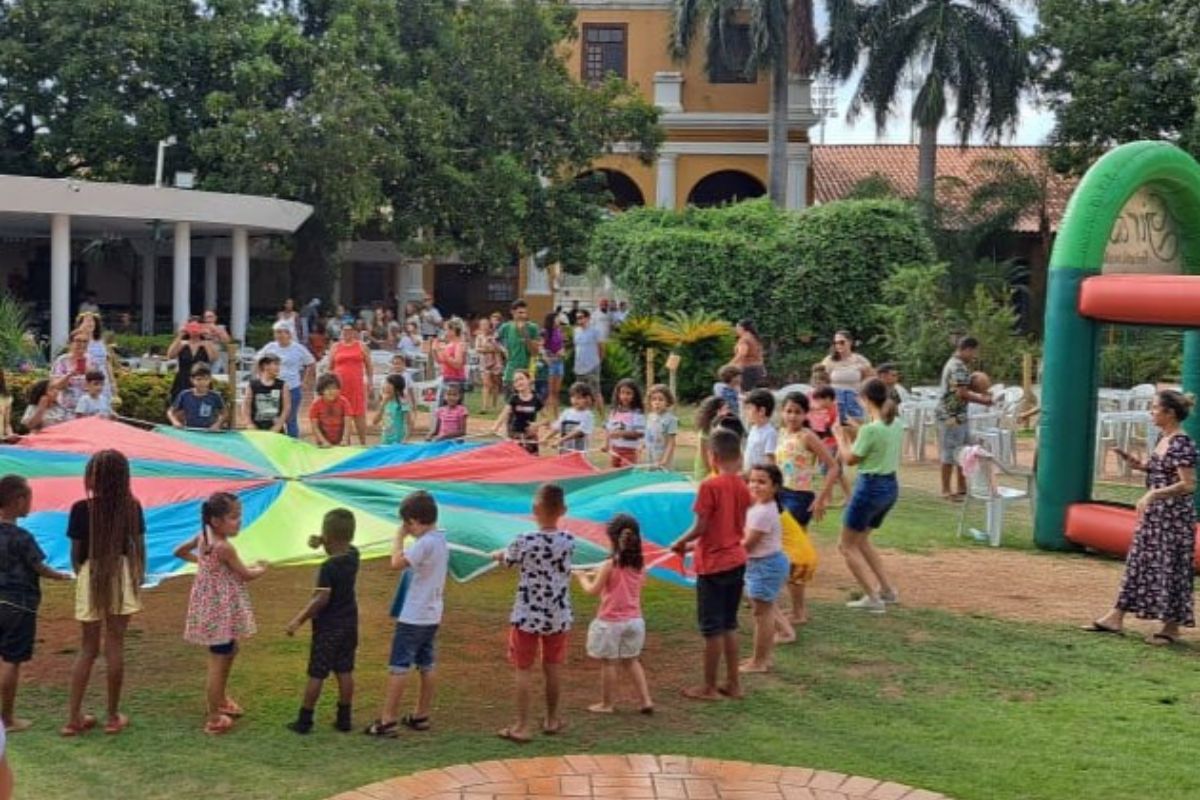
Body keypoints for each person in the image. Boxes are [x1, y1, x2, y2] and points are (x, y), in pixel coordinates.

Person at [1085, 390, 1197, 645]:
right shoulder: (1164, 438)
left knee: (1171, 567)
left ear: (1169, 413)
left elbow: (1188, 484)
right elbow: (1162, 469)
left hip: (1173, 519)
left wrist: (1152, 495)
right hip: (1155, 517)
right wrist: (1137, 464)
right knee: (1139, 563)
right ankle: (1115, 617)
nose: (1151, 412)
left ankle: (1170, 628)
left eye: (1155, 408)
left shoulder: (1182, 443)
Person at [63, 450, 146, 736]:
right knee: (115, 646)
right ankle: (112, 716)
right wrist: (136, 576)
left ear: (92, 477)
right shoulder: (131, 507)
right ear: (124, 477)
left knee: (87, 649)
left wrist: (84, 574)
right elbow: (138, 548)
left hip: (91, 574)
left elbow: (75, 556)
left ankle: (73, 718)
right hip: (121, 575)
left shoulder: (80, 509)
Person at [174, 493, 266, 735]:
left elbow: (179, 551)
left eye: (240, 516)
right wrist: (262, 568)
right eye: (234, 517)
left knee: (229, 649)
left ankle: (221, 699)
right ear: (216, 520)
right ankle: (214, 716)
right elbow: (245, 574)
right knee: (218, 658)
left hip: (214, 609)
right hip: (219, 611)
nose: (239, 521)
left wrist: (203, 564)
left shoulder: (204, 537)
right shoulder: (224, 547)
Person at [670, 429, 751, 701]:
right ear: (739, 457)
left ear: (712, 457)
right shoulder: (742, 486)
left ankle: (709, 686)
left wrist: (680, 542)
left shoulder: (710, 486)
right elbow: (727, 526)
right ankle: (734, 684)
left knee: (712, 629)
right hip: (736, 561)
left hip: (713, 566)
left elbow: (701, 526)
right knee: (729, 624)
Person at [494, 484, 574, 742]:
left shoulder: (524, 540)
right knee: (552, 668)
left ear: (534, 510)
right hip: (557, 616)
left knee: (523, 670)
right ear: (563, 510)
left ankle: (522, 726)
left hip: (527, 616)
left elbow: (508, 560)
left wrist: (500, 555)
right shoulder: (569, 541)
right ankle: (551, 720)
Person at [365, 491, 449, 736]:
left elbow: (396, 562)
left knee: (399, 666)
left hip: (414, 616)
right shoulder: (441, 539)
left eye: (407, 524)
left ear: (413, 521)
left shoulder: (424, 543)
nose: (407, 528)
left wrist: (399, 538)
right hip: (432, 615)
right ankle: (421, 714)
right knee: (427, 663)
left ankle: (387, 719)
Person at [0, 475, 72, 732]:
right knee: (11, 660)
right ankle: (7, 719)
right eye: (29, 498)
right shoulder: (22, 537)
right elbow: (38, 566)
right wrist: (61, 576)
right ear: (18, 500)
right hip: (18, 606)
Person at [286, 508, 359, 734]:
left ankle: (305, 720)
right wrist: (323, 542)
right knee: (344, 670)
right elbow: (341, 545)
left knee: (317, 673)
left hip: (328, 628)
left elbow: (321, 598)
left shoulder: (328, 567)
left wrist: (297, 620)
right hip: (349, 624)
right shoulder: (354, 555)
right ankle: (344, 717)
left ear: (327, 535)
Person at [834, 378, 903, 613]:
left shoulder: (869, 430)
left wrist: (840, 437)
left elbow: (850, 459)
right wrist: (857, 428)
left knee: (846, 545)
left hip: (869, 488)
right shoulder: (894, 424)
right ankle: (887, 590)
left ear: (864, 399)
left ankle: (873, 597)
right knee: (861, 540)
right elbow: (875, 439)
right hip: (889, 487)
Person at [575, 514, 653, 715]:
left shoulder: (609, 564)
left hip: (610, 623)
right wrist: (598, 571)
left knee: (608, 662)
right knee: (632, 660)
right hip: (635, 621)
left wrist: (583, 577)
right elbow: (634, 581)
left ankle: (607, 704)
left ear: (612, 538)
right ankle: (645, 700)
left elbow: (592, 590)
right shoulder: (640, 564)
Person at [775, 392, 839, 625]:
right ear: (782, 412)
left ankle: (799, 612)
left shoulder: (808, 436)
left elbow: (833, 467)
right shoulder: (781, 433)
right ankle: (792, 606)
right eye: (789, 411)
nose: (792, 416)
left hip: (800, 498)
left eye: (797, 412)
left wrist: (821, 497)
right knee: (783, 552)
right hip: (781, 495)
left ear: (805, 414)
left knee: (794, 554)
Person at [740, 464, 792, 673]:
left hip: (765, 566)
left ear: (775, 487)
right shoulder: (758, 506)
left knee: (762, 615)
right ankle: (763, 658)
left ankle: (759, 662)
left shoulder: (764, 512)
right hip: (762, 565)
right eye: (752, 480)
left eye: (762, 482)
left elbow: (748, 545)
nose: (755, 485)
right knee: (764, 612)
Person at [935, 336, 993, 500]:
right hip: (950, 416)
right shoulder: (958, 366)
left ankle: (962, 487)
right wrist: (984, 399)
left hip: (958, 415)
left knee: (964, 451)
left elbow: (963, 390)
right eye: (974, 352)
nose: (974, 356)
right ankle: (946, 490)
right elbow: (962, 393)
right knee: (949, 452)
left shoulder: (957, 365)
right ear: (967, 349)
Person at [257, 322, 316, 438]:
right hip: (272, 388)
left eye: (281, 332)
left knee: (290, 419)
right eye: (276, 333)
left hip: (292, 387)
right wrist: (261, 377)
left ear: (289, 334)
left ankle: (293, 445)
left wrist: (305, 381)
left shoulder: (298, 348)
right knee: (270, 418)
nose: (278, 335)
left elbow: (311, 363)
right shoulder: (270, 347)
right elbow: (258, 360)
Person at [329, 322, 373, 446]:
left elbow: (369, 366)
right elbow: (330, 367)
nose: (347, 333)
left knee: (359, 413)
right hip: (340, 386)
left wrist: (370, 381)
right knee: (341, 413)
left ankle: (363, 443)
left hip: (356, 385)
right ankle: (345, 442)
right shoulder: (335, 346)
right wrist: (329, 385)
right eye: (344, 330)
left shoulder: (361, 346)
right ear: (341, 332)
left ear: (354, 332)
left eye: (350, 330)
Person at [821, 331, 874, 423]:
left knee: (857, 426)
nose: (838, 345)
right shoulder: (829, 361)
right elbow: (822, 381)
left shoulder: (860, 360)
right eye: (836, 343)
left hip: (854, 399)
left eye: (842, 342)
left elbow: (870, 380)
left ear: (850, 342)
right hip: (836, 400)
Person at [810, 385, 850, 503]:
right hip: (826, 444)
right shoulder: (824, 411)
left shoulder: (836, 412)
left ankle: (838, 497)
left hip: (834, 445)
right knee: (833, 472)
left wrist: (839, 451)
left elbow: (841, 431)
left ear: (828, 399)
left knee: (833, 471)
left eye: (819, 399)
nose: (817, 402)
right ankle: (833, 497)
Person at [166, 321, 219, 406]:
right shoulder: (183, 344)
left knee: (202, 405)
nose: (194, 330)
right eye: (191, 327)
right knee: (180, 406)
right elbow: (170, 355)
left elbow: (213, 358)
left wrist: (207, 337)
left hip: (202, 378)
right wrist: (180, 335)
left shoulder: (206, 344)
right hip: (183, 378)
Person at [50, 333, 106, 414]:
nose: (82, 344)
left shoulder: (92, 360)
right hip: (67, 409)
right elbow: (56, 386)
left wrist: (91, 374)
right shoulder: (62, 360)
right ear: (70, 343)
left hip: (89, 409)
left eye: (85, 341)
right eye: (78, 341)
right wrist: (70, 374)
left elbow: (100, 385)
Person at [492, 370, 544, 455]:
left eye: (521, 379)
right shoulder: (514, 399)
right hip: (515, 435)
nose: (519, 382)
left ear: (529, 380)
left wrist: (537, 424)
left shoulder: (536, 399)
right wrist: (495, 427)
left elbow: (548, 419)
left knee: (531, 461)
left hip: (530, 436)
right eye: (516, 381)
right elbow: (504, 413)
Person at [497, 300, 540, 393]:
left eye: (525, 313)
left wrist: (525, 335)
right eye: (520, 313)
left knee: (526, 403)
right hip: (510, 372)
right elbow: (495, 340)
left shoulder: (533, 328)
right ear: (512, 312)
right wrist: (503, 350)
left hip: (527, 372)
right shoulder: (506, 327)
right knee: (510, 403)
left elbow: (535, 353)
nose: (523, 316)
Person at [168, 364, 226, 431]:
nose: (202, 382)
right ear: (192, 380)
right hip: (190, 431)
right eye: (199, 379)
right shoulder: (184, 395)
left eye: (205, 379)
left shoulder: (215, 396)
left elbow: (224, 413)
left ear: (210, 379)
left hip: (209, 432)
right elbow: (170, 411)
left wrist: (217, 424)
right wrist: (175, 422)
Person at [545, 382, 595, 454]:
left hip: (578, 453)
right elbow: (557, 427)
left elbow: (579, 432)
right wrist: (546, 438)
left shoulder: (588, 416)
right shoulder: (566, 412)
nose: (575, 400)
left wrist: (560, 440)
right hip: (564, 451)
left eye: (579, 398)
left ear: (587, 399)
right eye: (573, 397)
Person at [243, 354, 289, 433]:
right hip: (256, 427)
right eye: (275, 364)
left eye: (278, 365)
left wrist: (278, 425)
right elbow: (246, 406)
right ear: (265, 366)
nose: (278, 368)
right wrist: (249, 423)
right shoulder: (253, 385)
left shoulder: (282, 385)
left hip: (275, 427)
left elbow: (287, 407)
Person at [605, 379, 645, 468]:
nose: (625, 396)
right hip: (615, 450)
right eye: (622, 393)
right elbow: (609, 430)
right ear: (618, 394)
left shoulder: (637, 413)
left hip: (629, 451)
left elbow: (640, 433)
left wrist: (621, 433)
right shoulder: (614, 412)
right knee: (613, 475)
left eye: (628, 393)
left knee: (626, 475)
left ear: (635, 395)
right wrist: (606, 445)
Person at [571, 309, 604, 414]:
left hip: (592, 366)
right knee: (580, 393)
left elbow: (601, 349)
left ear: (588, 318)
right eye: (577, 318)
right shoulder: (576, 331)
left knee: (596, 392)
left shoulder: (595, 331)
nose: (579, 319)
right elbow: (576, 348)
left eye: (581, 317)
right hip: (579, 368)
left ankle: (603, 419)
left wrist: (598, 362)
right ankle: (584, 416)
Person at [310, 374, 352, 447]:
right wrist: (323, 441)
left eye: (334, 388)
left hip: (342, 441)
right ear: (321, 390)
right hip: (323, 441)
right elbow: (315, 427)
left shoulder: (344, 402)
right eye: (327, 388)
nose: (331, 391)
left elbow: (348, 424)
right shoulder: (315, 404)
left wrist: (344, 440)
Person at [644, 384, 679, 469]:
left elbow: (671, 442)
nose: (657, 402)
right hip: (650, 455)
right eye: (654, 399)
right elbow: (647, 435)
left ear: (668, 402)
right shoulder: (650, 417)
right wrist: (642, 445)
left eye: (661, 399)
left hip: (663, 457)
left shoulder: (671, 419)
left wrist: (665, 460)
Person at [742, 389, 778, 472]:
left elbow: (770, 460)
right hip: (748, 475)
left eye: (749, 408)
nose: (746, 412)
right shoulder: (753, 429)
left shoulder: (770, 433)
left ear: (762, 411)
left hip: (759, 477)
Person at [474, 317, 504, 413]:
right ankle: (484, 407)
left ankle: (494, 405)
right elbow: (477, 349)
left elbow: (499, 348)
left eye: (486, 324)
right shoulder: (479, 337)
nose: (484, 327)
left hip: (496, 362)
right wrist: (489, 349)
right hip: (484, 363)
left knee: (495, 384)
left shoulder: (495, 336)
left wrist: (488, 348)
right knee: (486, 384)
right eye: (482, 325)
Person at [375, 374, 415, 445]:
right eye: (386, 383)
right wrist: (383, 403)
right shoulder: (385, 402)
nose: (386, 386)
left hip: (398, 441)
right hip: (385, 441)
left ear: (397, 388)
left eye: (389, 384)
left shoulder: (402, 402)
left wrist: (405, 439)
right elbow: (375, 421)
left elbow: (410, 423)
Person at [432, 319, 467, 397]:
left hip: (455, 379)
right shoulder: (448, 345)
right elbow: (439, 361)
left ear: (453, 331)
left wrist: (445, 354)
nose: (445, 332)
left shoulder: (459, 345)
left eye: (446, 330)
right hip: (447, 377)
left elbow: (458, 364)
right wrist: (434, 350)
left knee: (455, 406)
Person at [540, 312, 566, 420]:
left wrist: (562, 351)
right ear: (552, 320)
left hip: (559, 363)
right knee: (550, 392)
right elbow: (540, 347)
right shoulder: (545, 332)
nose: (559, 320)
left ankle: (556, 417)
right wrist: (547, 358)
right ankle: (547, 416)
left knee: (556, 392)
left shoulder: (559, 331)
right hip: (551, 363)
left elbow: (562, 346)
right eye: (557, 318)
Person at [729, 320, 767, 390]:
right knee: (756, 393)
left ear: (742, 328)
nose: (736, 330)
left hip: (747, 369)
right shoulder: (755, 338)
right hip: (759, 368)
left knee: (746, 392)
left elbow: (742, 354)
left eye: (737, 327)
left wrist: (730, 364)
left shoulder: (744, 339)